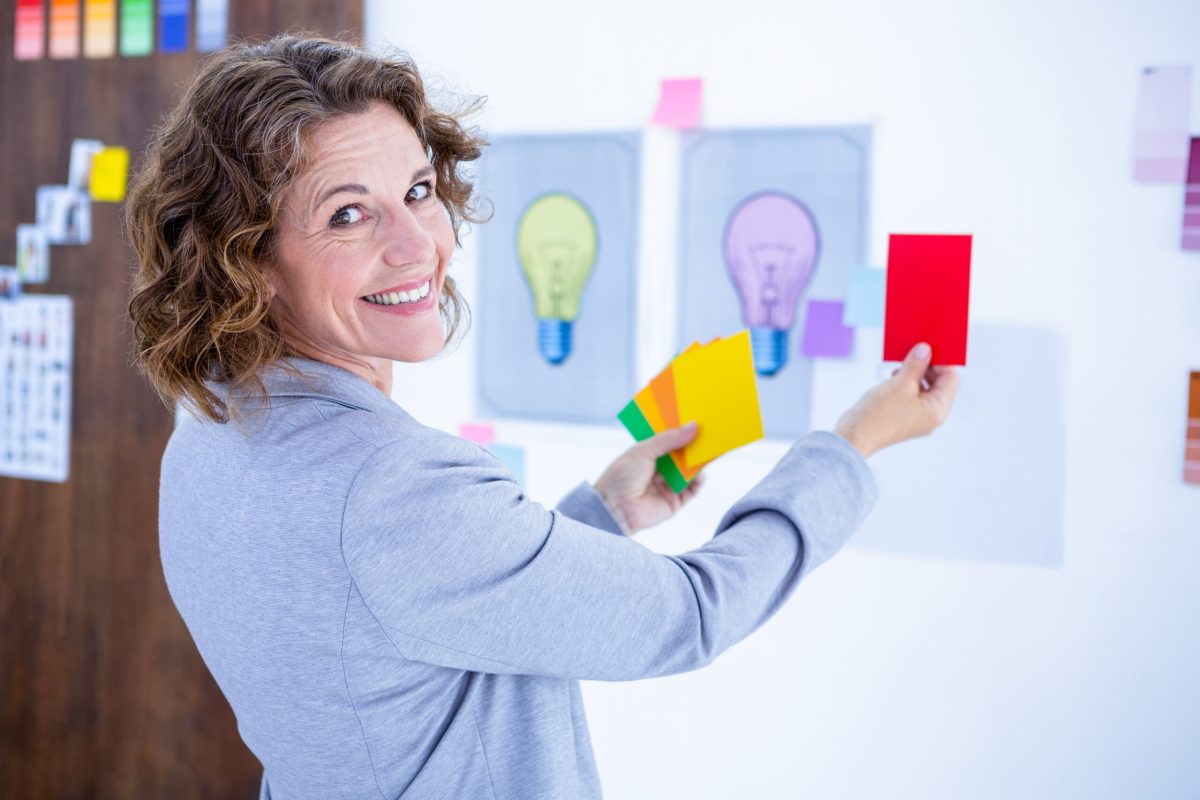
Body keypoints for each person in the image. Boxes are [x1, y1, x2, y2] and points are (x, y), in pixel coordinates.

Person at [126, 34, 959, 800]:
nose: (419, 244)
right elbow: (693, 614)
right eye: (348, 213)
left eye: (419, 190)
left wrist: (604, 512)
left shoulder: (208, 428)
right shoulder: (389, 483)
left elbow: (404, 625)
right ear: (248, 255)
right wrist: (855, 445)